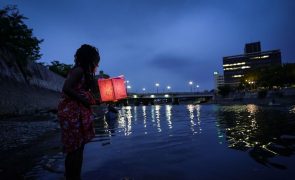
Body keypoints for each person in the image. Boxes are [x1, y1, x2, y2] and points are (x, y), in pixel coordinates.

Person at [57, 44, 100, 180]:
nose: (97, 63)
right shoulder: (78, 71)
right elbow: (66, 88)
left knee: (79, 147)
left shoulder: (86, 74)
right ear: (89, 59)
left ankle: (76, 175)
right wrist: (83, 100)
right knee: (73, 149)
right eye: (96, 60)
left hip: (79, 113)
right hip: (71, 113)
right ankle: (71, 176)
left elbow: (87, 91)